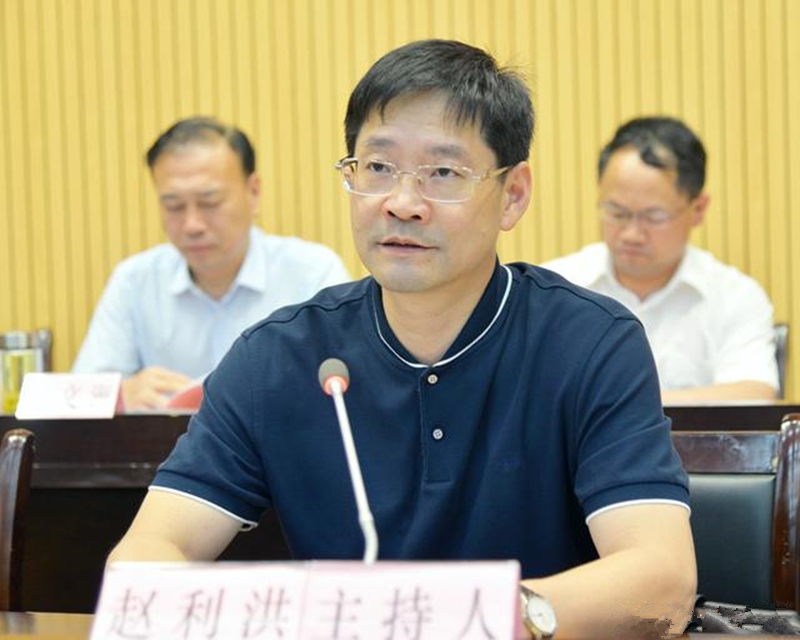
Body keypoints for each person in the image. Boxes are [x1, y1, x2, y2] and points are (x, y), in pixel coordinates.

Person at [108, 41, 696, 637]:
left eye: (443, 173)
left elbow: (663, 584)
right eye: (377, 168)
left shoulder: (591, 344)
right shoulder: (278, 357)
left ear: (513, 195)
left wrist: (479, 619)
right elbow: (149, 550)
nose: (403, 203)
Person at [73, 117, 350, 410]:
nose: (192, 224)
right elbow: (73, 397)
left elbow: (351, 381)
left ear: (253, 192)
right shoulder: (135, 281)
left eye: (210, 202)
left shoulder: (312, 273)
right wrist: (120, 394)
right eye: (173, 206)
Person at [543, 117, 778, 404]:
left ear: (698, 209)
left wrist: (627, 409)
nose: (631, 234)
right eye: (616, 212)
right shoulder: (554, 289)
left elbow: (755, 393)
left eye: (653, 216)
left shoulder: (735, 296)